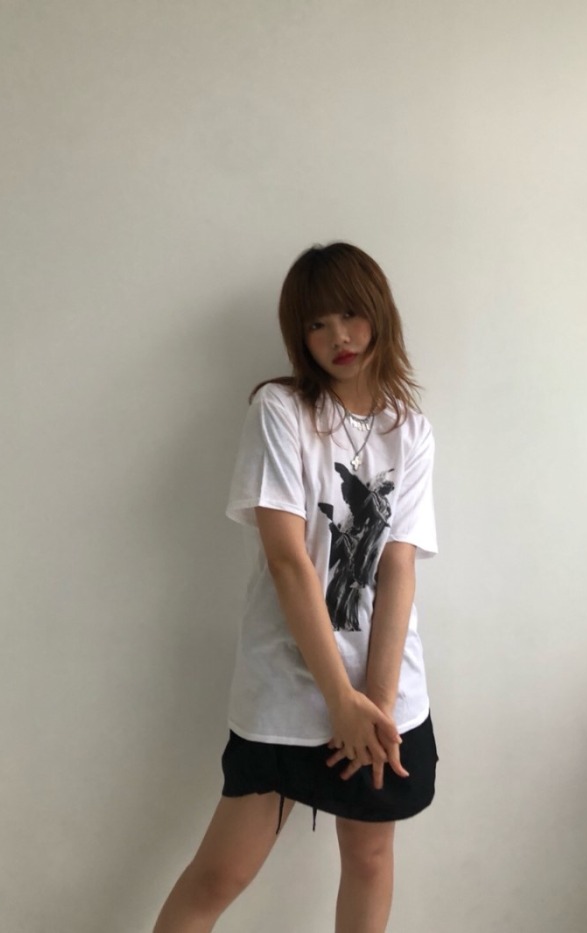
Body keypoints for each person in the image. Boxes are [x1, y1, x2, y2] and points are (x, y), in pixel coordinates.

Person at [153, 242, 439, 933]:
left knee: (369, 858)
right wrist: (338, 700)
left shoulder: (411, 430)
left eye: (350, 314)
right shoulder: (280, 410)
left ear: (379, 313)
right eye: (317, 323)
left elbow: (397, 567)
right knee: (222, 873)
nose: (339, 336)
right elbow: (287, 560)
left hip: (383, 689)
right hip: (289, 688)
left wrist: (372, 703)